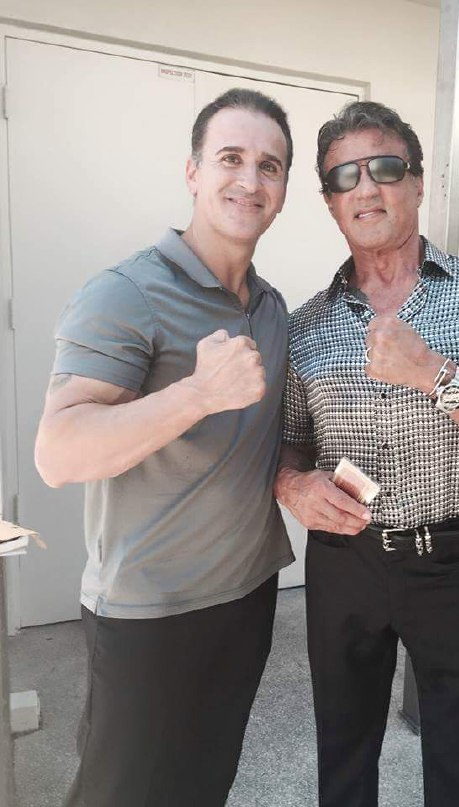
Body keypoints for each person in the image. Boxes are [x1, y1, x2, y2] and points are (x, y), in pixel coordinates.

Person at [275, 101, 459, 807]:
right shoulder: (305, 324)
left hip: (457, 560)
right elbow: (289, 442)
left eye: (384, 167)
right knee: (343, 757)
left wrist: (436, 375)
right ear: (329, 200)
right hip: (343, 561)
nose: (365, 187)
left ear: (416, 181)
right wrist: (291, 484)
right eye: (343, 176)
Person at [35, 88, 295, 807]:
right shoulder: (126, 292)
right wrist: (196, 394)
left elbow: (271, 440)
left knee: (204, 783)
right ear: (192, 172)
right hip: (149, 612)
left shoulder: (271, 307)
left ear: (283, 192)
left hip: (247, 596)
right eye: (230, 158)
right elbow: (58, 453)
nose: (249, 180)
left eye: (269, 166)